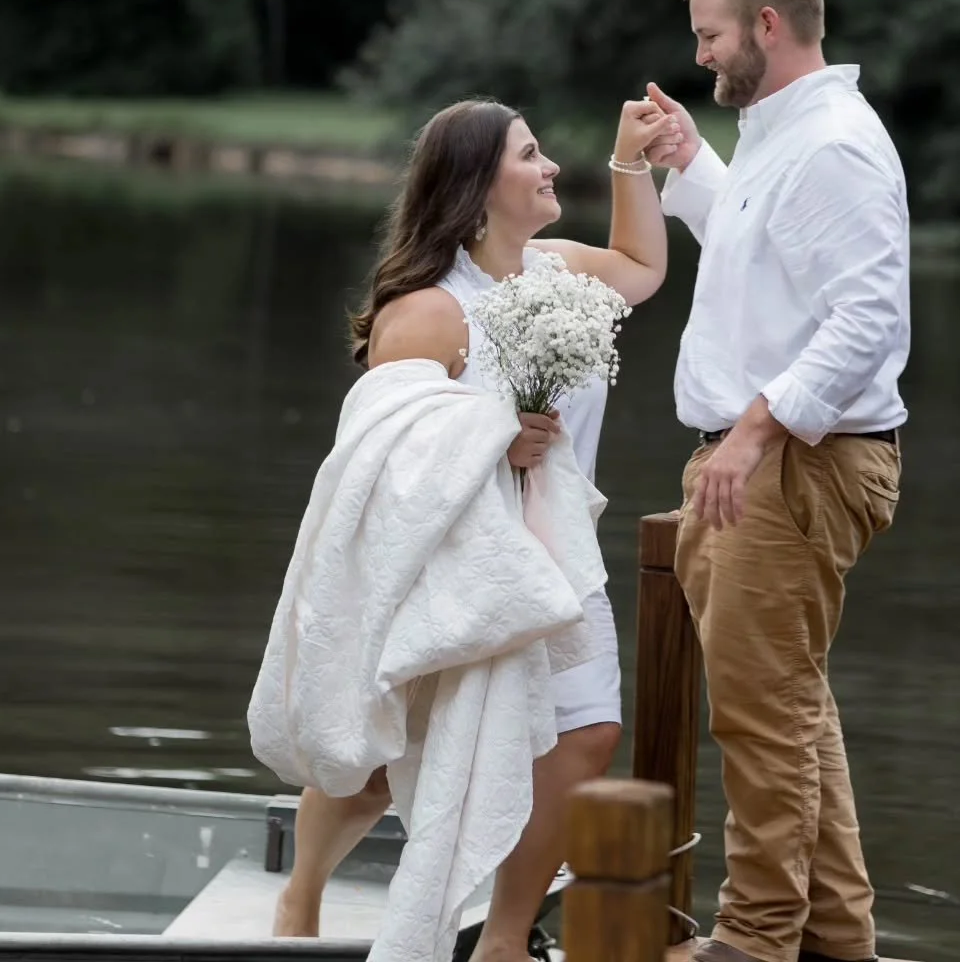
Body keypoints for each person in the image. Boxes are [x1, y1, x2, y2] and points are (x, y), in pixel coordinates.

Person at [272, 94, 680, 962]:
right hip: (459, 561)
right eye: (530, 154)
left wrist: (631, 163)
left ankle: (498, 940)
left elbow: (644, 267)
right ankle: (297, 903)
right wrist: (501, 434)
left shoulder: (559, 270)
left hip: (558, 554)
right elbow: (391, 455)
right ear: (477, 184)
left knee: (587, 735)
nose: (548, 168)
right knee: (384, 760)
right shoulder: (427, 312)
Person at [644, 0, 911, 962]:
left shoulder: (833, 142)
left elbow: (867, 320)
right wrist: (690, 165)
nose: (702, 56)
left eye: (710, 35)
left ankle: (752, 943)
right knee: (788, 707)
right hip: (773, 459)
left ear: (765, 24)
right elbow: (770, 263)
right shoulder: (781, 133)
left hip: (795, 463)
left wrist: (750, 436)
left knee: (763, 722)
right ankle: (839, 943)